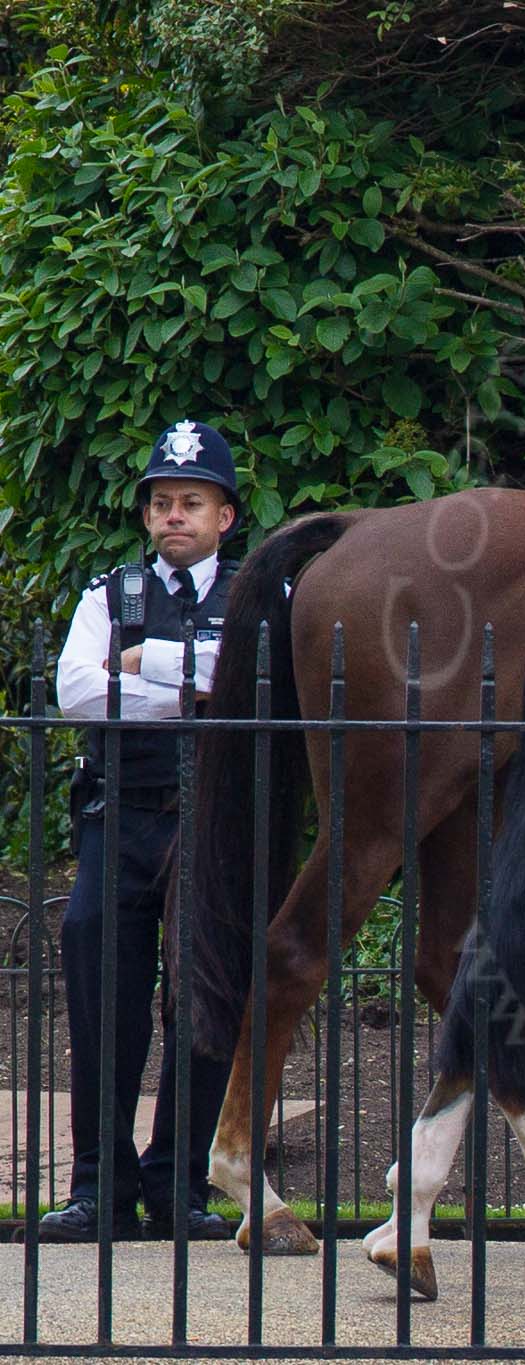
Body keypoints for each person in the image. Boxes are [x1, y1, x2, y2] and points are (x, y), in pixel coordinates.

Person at [41, 420, 239, 1242]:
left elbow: (240, 687)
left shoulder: (261, 590)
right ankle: (100, 1188)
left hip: (212, 820)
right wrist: (183, 677)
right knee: (102, 993)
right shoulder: (106, 591)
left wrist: (139, 664)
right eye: (162, 502)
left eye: (191, 502)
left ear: (225, 515)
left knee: (202, 996)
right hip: (117, 813)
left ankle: (180, 1185)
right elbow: (76, 693)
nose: (174, 516)